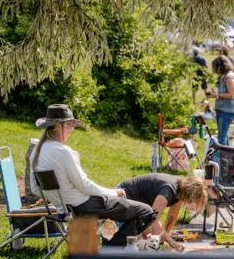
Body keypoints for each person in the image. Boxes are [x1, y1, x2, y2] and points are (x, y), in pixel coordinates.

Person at [29, 104, 157, 247]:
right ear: (62, 126)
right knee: (146, 211)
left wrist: (58, 198)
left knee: (129, 209)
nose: (71, 130)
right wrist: (114, 192)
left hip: (64, 209)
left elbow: (35, 188)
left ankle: (110, 244)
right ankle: (112, 248)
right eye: (70, 125)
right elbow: (84, 185)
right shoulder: (63, 151)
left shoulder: (37, 151)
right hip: (83, 206)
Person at [117, 173, 208, 251]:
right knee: (135, 242)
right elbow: (153, 220)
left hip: (138, 205)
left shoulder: (181, 190)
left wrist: (162, 238)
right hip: (123, 195)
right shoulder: (168, 190)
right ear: (188, 195)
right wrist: (170, 241)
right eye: (192, 200)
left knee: (148, 236)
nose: (189, 203)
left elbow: (172, 215)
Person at [206, 56, 234, 145]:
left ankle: (223, 157)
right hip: (222, 109)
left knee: (221, 138)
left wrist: (216, 95)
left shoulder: (229, 77)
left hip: (227, 110)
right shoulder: (224, 76)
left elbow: (231, 95)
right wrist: (214, 94)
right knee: (224, 136)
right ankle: (227, 156)